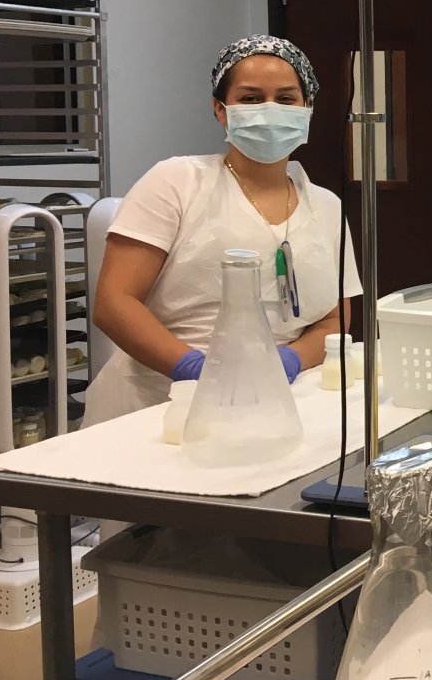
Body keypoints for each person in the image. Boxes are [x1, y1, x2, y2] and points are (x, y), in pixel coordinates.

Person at [84, 35, 361, 425]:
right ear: (220, 109)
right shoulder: (176, 182)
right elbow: (115, 303)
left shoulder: (328, 207)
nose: (269, 110)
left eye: (286, 99)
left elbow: (334, 321)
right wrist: (194, 368)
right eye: (250, 99)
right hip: (159, 406)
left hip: (277, 402)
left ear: (308, 107)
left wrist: (290, 360)